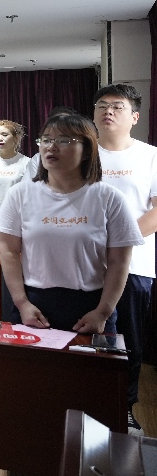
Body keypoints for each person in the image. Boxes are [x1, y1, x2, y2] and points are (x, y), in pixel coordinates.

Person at [0, 113, 141, 335]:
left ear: (87, 150)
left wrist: (103, 312)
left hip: (92, 305)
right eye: (46, 139)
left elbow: (119, 261)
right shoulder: (20, 194)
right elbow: (8, 252)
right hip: (34, 305)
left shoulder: (109, 197)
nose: (51, 147)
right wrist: (22, 303)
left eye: (63, 140)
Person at [92, 84, 157, 433]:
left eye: (117, 107)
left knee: (128, 340)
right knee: (87, 337)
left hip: (134, 264)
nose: (108, 112)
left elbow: (156, 213)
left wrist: (116, 244)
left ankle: (124, 407)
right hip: (84, 263)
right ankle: (86, 405)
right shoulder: (82, 154)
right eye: (102, 105)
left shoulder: (151, 156)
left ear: (134, 117)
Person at [0, 120, 28, 210]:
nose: (0, 138)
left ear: (16, 138)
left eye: (4, 135)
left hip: (19, 214)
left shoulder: (27, 163)